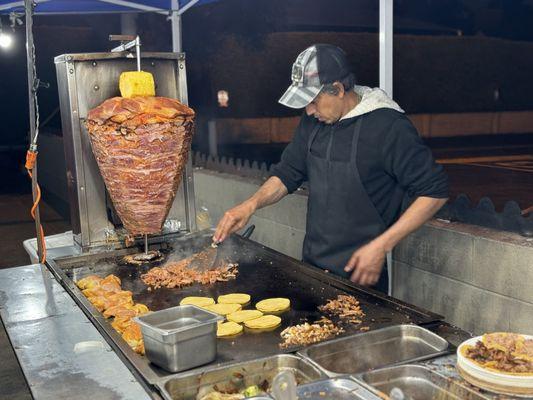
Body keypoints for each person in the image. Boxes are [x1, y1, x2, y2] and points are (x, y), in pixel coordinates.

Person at [213, 44, 448, 293]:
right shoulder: (313, 122)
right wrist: (251, 204)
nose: (308, 110)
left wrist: (381, 246)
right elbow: (287, 172)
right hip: (312, 268)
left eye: (313, 101)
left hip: (362, 279)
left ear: (337, 89)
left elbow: (434, 192)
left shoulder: (388, 126)